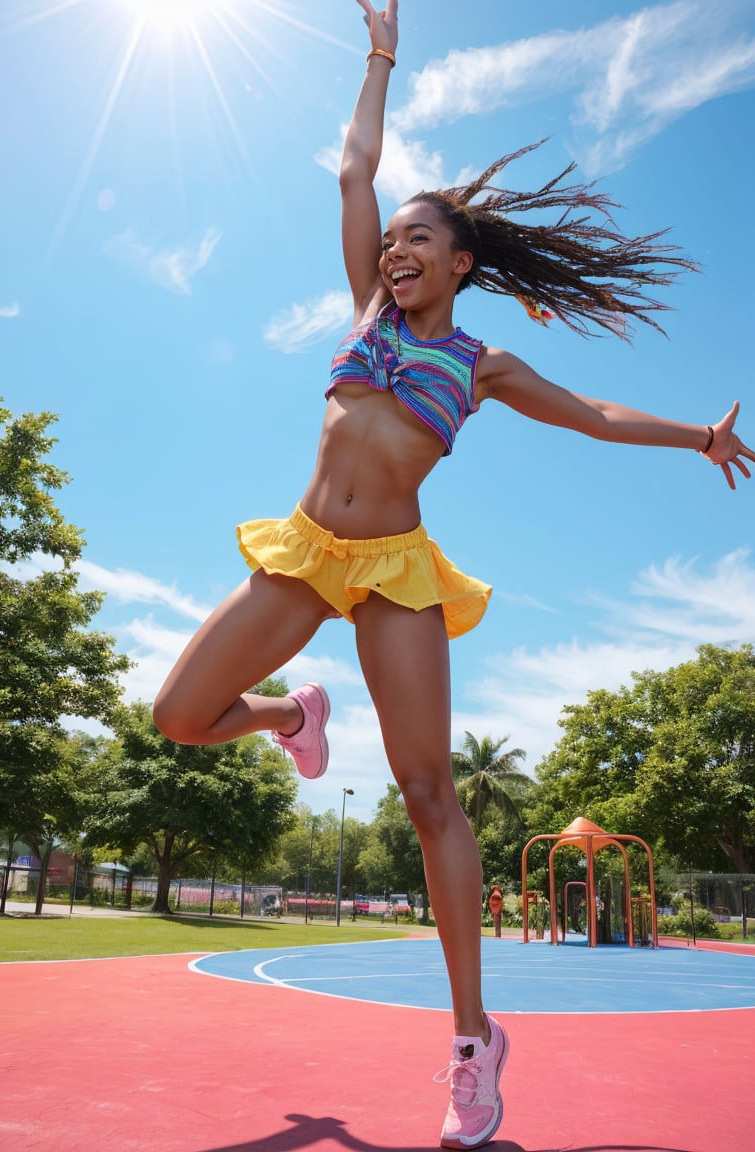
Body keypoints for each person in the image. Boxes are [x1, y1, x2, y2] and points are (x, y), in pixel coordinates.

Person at [153, 2, 755, 1146]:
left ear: (461, 264)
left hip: (393, 576)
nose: (396, 246)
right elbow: (352, 169)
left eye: (419, 238)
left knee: (431, 795)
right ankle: (291, 713)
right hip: (305, 552)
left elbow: (593, 415)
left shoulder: (481, 366)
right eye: (394, 239)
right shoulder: (366, 310)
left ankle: (472, 1046)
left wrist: (698, 438)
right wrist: (381, 57)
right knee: (180, 716)